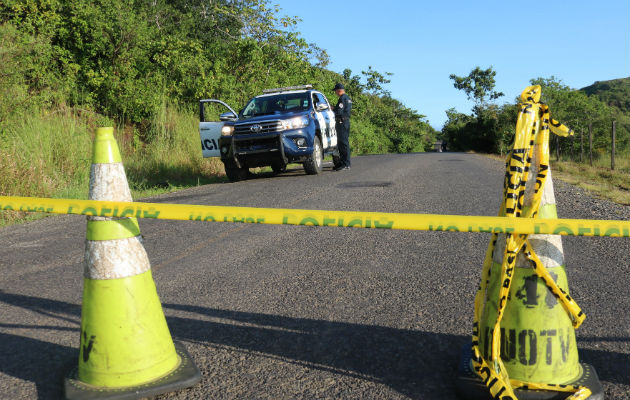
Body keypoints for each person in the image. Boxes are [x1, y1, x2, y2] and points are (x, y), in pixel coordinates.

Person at [333, 83, 352, 171]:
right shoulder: (347, 98)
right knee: (344, 143)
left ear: (339, 90)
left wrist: (333, 110)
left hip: (341, 122)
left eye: (336, 91)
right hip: (346, 121)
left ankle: (346, 164)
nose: (335, 93)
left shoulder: (342, 98)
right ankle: (344, 162)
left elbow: (339, 112)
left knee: (343, 143)